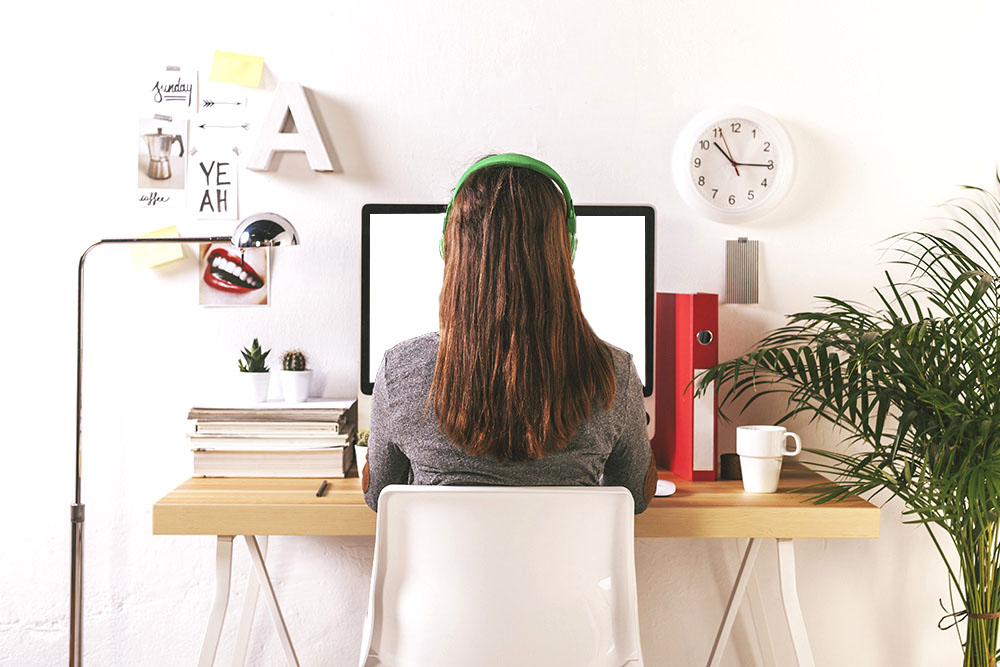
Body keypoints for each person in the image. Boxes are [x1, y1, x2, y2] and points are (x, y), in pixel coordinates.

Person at [362, 155, 656, 513]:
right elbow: (637, 497)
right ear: (567, 250)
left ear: (448, 248)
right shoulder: (614, 372)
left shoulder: (400, 370)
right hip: (568, 571)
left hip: (444, 572)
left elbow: (378, 497)